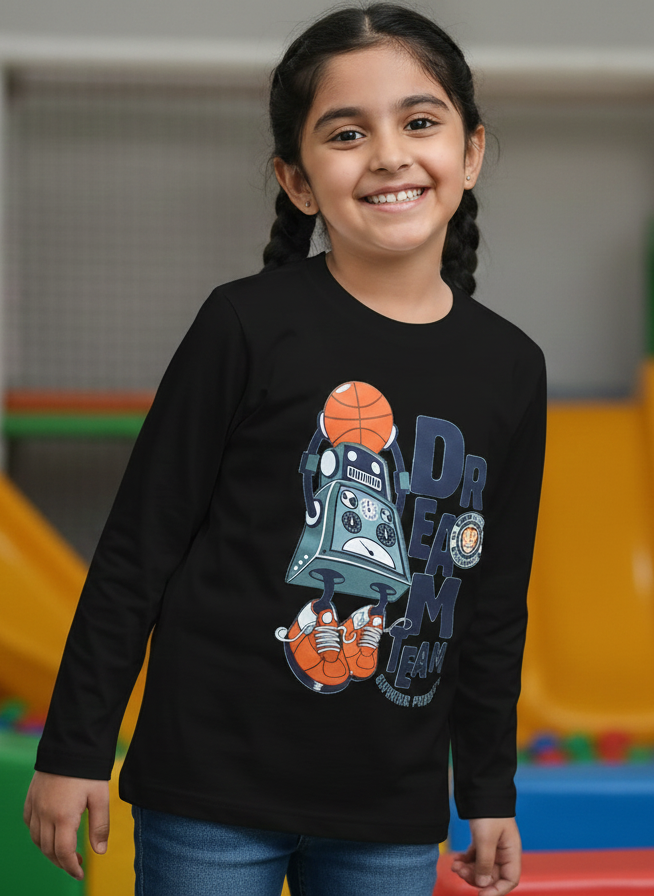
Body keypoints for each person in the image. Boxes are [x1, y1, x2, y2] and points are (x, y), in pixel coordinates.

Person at [22, 3, 547, 894]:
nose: (388, 153)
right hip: (209, 795)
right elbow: (136, 551)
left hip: (389, 810)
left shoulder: (509, 367)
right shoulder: (246, 325)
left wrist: (488, 789)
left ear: (470, 152)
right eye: (346, 132)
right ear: (298, 180)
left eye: (419, 122)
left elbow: (491, 601)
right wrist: (75, 747)